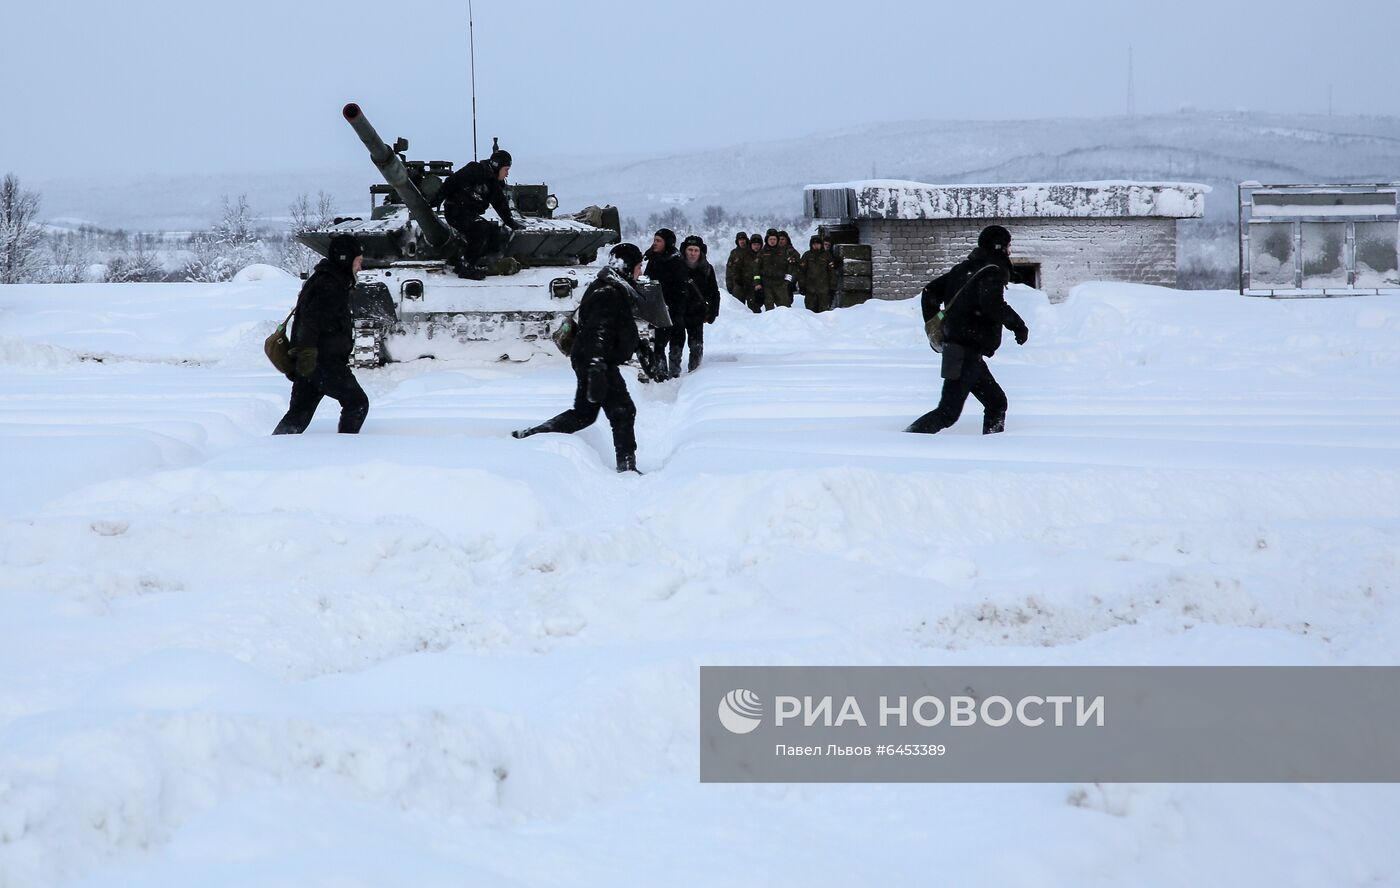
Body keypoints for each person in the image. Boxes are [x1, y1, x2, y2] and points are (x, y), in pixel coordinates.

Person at [511, 243, 647, 473]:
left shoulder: (611, 286)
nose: (640, 272)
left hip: (592, 359)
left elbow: (615, 328)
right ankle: (627, 467)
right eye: (638, 266)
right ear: (626, 266)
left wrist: (637, 344)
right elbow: (599, 332)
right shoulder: (608, 292)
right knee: (623, 411)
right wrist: (596, 369)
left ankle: (530, 436)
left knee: (584, 414)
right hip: (597, 362)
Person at [905, 225, 1029, 436]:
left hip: (962, 350)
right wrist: (1018, 326)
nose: (1010, 250)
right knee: (948, 412)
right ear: (998, 246)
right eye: (1008, 245)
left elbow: (929, 292)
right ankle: (905, 439)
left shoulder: (962, 270)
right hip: (965, 352)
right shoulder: (992, 271)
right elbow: (992, 304)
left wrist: (936, 325)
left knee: (996, 402)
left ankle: (993, 447)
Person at [273, 234, 371, 435]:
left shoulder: (327, 279)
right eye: (358, 261)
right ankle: (347, 448)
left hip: (311, 363)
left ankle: (273, 451)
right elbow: (310, 322)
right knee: (357, 403)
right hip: (322, 362)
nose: (360, 267)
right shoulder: (330, 285)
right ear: (346, 259)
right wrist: (307, 357)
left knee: (298, 415)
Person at [432, 147, 526, 278]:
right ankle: (466, 266)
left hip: (470, 213)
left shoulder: (494, 184)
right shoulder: (474, 170)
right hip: (455, 211)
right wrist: (436, 200)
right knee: (479, 229)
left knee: (493, 231)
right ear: (497, 166)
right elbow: (451, 182)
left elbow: (500, 205)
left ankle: (485, 262)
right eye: (506, 170)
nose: (507, 174)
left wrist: (511, 223)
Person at [643, 227, 690, 379]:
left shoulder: (676, 262)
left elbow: (681, 288)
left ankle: (674, 372)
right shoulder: (653, 259)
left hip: (673, 308)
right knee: (657, 344)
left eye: (658, 241)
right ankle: (660, 374)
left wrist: (675, 308)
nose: (655, 243)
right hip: (656, 309)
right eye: (654, 240)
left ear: (667, 243)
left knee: (676, 341)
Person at [677, 234, 720, 372]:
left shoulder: (706, 268)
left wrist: (713, 312)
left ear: (701, 252)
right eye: (690, 250)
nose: (693, 253)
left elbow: (714, 292)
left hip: (697, 312)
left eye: (696, 250)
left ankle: (695, 373)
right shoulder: (676, 267)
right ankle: (673, 374)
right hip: (678, 311)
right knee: (675, 346)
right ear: (684, 250)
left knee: (696, 346)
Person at [753, 228, 796, 309]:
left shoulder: (784, 252)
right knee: (769, 308)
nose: (772, 241)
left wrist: (787, 281)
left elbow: (790, 267)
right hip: (766, 284)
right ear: (767, 240)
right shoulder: (762, 253)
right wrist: (757, 283)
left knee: (784, 308)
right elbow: (756, 269)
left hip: (781, 284)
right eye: (770, 239)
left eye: (774, 239)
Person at [799, 235, 837, 312]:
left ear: (821, 244)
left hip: (824, 291)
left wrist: (832, 287)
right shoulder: (807, 255)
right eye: (814, 244)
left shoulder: (827, 256)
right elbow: (801, 272)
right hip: (810, 291)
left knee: (824, 314)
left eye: (818, 244)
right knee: (810, 313)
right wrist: (801, 286)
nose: (816, 246)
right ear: (811, 245)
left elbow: (832, 272)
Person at [740, 232, 765, 312]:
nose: (756, 246)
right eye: (754, 244)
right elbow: (737, 269)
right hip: (747, 285)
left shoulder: (765, 255)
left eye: (758, 244)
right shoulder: (745, 255)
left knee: (757, 306)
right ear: (750, 245)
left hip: (761, 285)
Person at [725, 232, 749, 297]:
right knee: (737, 304)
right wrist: (729, 284)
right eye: (740, 240)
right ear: (737, 241)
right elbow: (729, 270)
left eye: (743, 239)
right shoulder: (734, 253)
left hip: (751, 283)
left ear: (746, 240)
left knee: (753, 305)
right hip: (738, 283)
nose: (742, 241)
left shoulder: (752, 250)